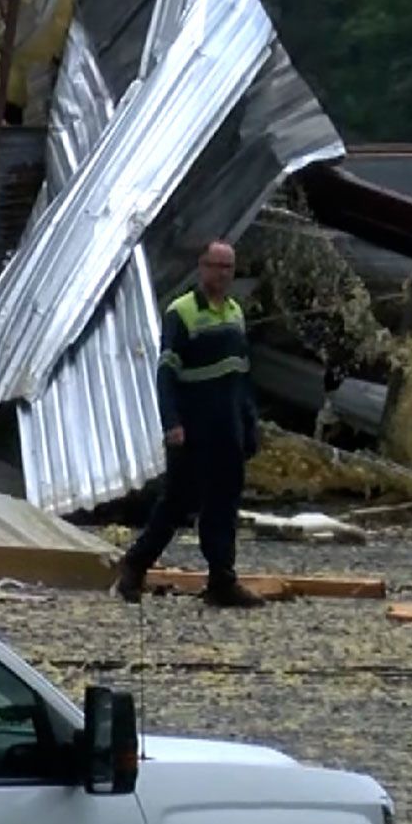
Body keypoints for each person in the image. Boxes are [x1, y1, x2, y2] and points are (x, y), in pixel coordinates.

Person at [116, 240, 264, 609]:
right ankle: (134, 566)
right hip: (192, 428)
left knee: (223, 506)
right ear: (202, 267)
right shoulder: (180, 313)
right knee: (177, 503)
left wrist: (249, 424)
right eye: (216, 266)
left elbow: (242, 376)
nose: (222, 274)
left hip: (227, 427)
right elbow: (165, 374)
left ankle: (222, 581)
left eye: (228, 267)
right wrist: (172, 423)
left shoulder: (234, 313)